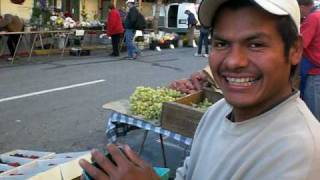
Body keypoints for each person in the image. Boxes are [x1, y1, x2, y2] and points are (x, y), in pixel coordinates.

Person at [79, 0, 320, 179]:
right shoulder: (217, 112)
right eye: (221, 43)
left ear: (295, 50)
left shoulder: (299, 152)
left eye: (256, 44)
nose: (234, 61)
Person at [298, 0, 320, 120]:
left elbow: (300, 44)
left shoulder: (312, 18)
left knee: (313, 116)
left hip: (314, 74)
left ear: (301, 6)